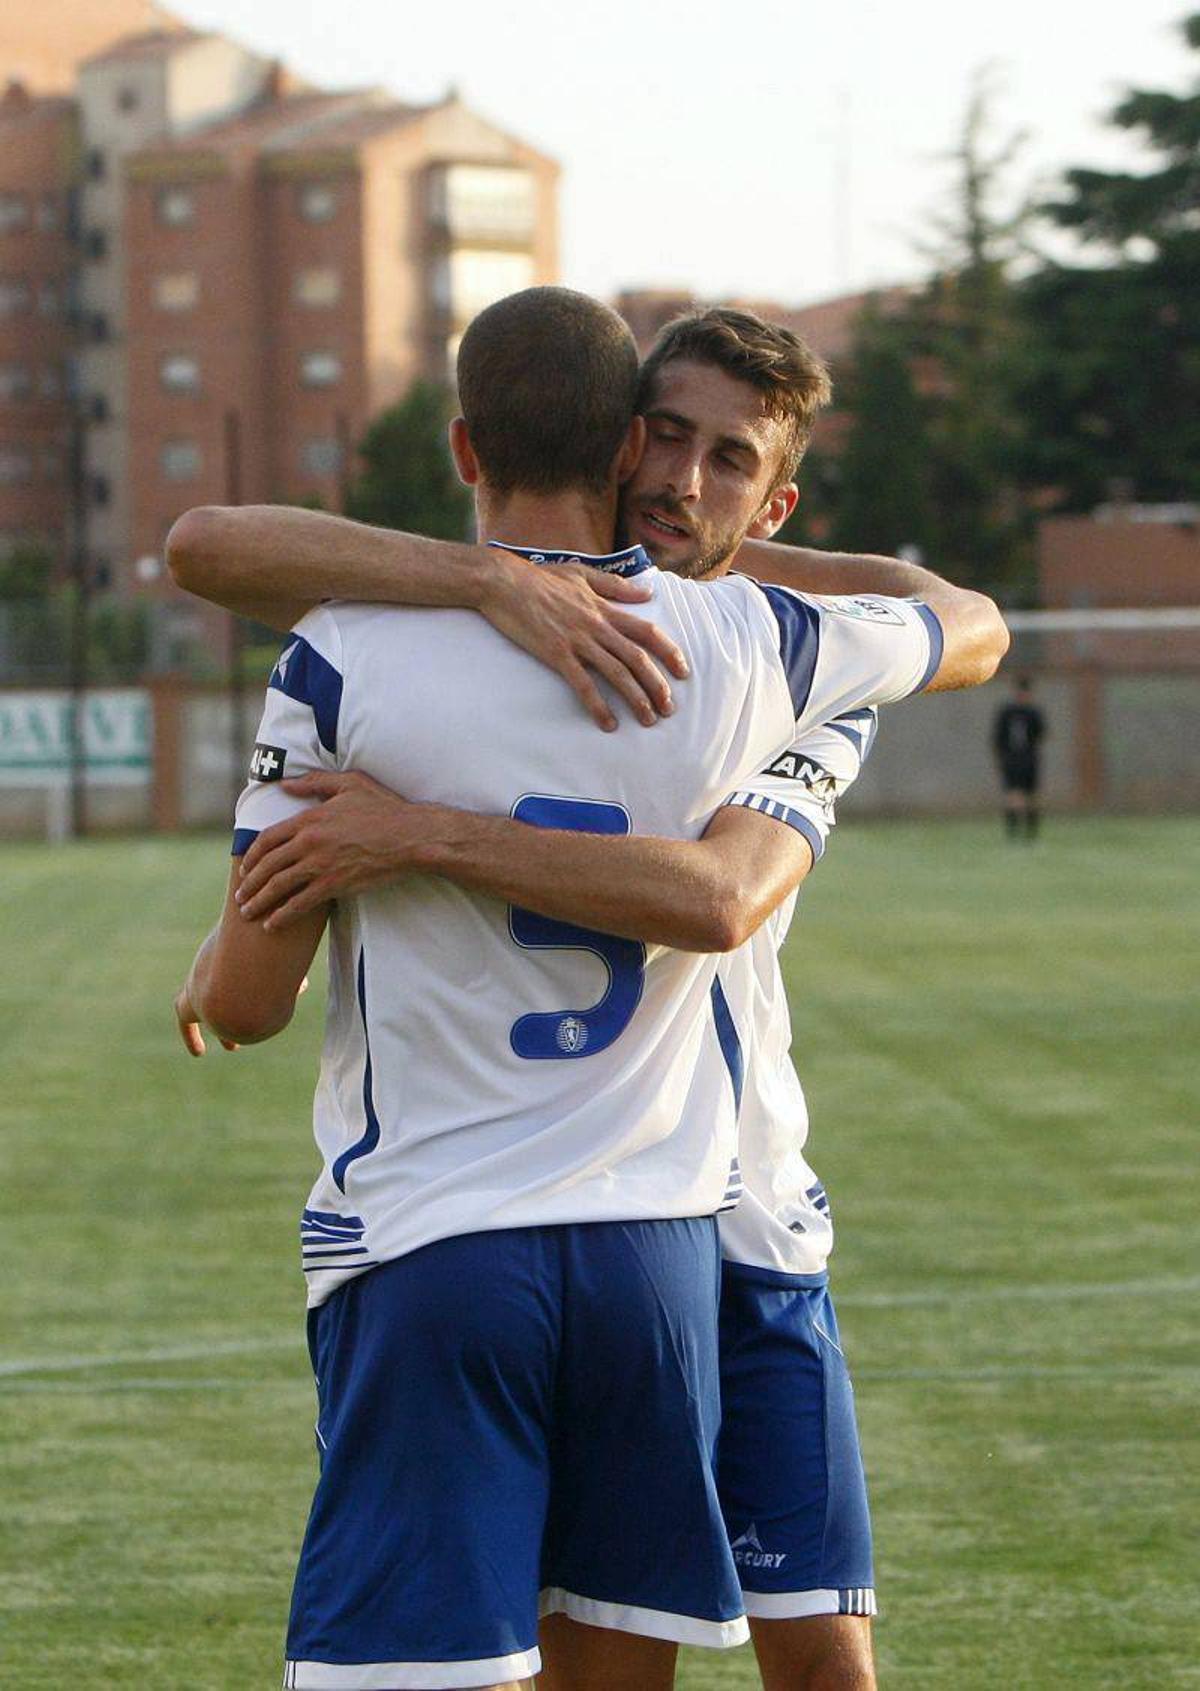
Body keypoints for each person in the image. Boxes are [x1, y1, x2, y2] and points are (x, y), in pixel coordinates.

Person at [171, 304, 1009, 1691]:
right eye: (665, 439)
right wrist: (495, 580)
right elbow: (958, 618)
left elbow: (717, 897)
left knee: (807, 1662)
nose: (684, 481)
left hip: (566, 1225)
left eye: (728, 462)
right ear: (621, 443)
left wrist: (415, 826)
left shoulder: (370, 647)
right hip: (654, 1239)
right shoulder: (769, 649)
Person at [992, 675, 1046, 840]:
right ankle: (1013, 832)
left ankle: (1030, 833)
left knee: (1031, 795)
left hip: (1029, 759)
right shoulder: (1007, 713)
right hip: (1012, 759)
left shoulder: (1033, 712)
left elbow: (1041, 735)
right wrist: (1001, 757)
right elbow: (998, 738)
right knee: (1013, 795)